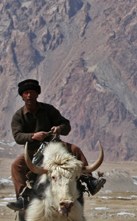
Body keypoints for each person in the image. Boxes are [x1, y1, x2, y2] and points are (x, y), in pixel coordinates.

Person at [7, 78, 105, 211]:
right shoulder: (18, 116)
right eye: (26, 93)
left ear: (37, 94)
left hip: (55, 144)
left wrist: (59, 128)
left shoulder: (49, 110)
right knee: (16, 166)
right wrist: (33, 136)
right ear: (22, 96)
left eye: (32, 92)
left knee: (75, 149)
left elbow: (66, 125)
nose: (29, 95)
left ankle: (90, 181)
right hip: (33, 149)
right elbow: (17, 136)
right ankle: (22, 197)